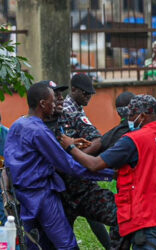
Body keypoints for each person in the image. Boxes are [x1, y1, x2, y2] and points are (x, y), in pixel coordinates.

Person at [60, 94, 156, 249]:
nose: (129, 120)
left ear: (143, 115)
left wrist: (70, 147)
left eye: (131, 115)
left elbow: (94, 164)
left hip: (150, 217)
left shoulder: (133, 140)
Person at [3, 82, 114, 249]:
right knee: (66, 243)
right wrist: (109, 173)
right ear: (43, 104)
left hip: (22, 197)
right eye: (52, 101)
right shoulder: (39, 130)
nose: (56, 104)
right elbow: (68, 165)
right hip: (43, 196)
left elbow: (10, 163)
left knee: (36, 243)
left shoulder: (18, 125)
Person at [42, 80, 121, 249]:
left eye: (61, 95)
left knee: (122, 216)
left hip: (84, 189)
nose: (60, 99)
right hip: (56, 196)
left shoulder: (71, 118)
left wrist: (75, 156)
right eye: (55, 96)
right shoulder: (34, 126)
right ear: (44, 100)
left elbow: (97, 139)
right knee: (56, 243)